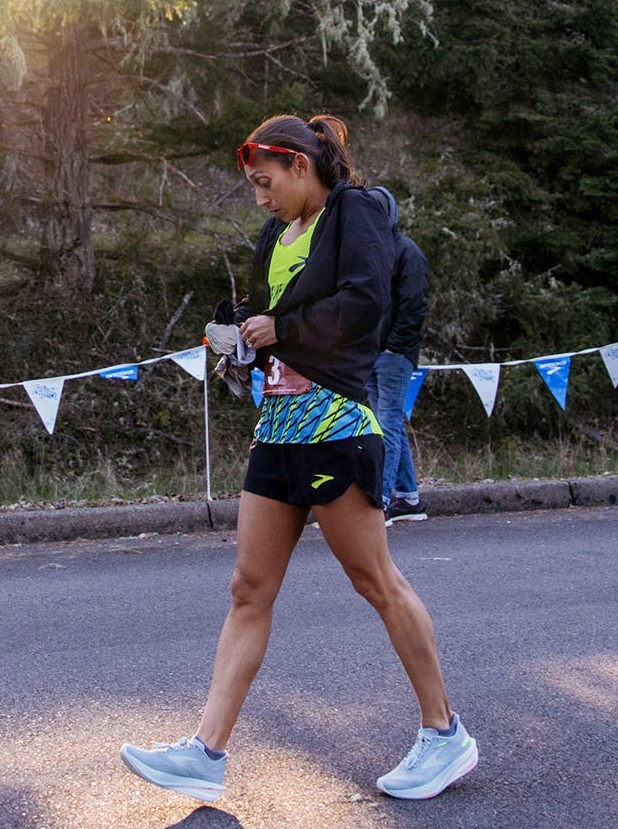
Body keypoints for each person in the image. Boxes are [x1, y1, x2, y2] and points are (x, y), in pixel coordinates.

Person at [121, 115, 477, 803]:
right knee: (248, 589)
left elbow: (366, 302)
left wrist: (280, 328)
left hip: (335, 421)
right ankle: (206, 753)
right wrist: (240, 340)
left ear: (301, 166)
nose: (261, 198)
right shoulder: (274, 234)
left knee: (376, 581)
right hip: (279, 425)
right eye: (254, 187)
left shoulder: (355, 212)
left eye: (266, 183)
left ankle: (445, 734)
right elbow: (267, 318)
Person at [368, 185, 429, 524]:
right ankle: (409, 498)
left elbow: (414, 305)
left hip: (394, 354)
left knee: (385, 424)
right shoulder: (370, 253)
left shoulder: (408, 252)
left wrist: (395, 345)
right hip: (371, 351)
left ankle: (380, 502)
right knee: (386, 422)